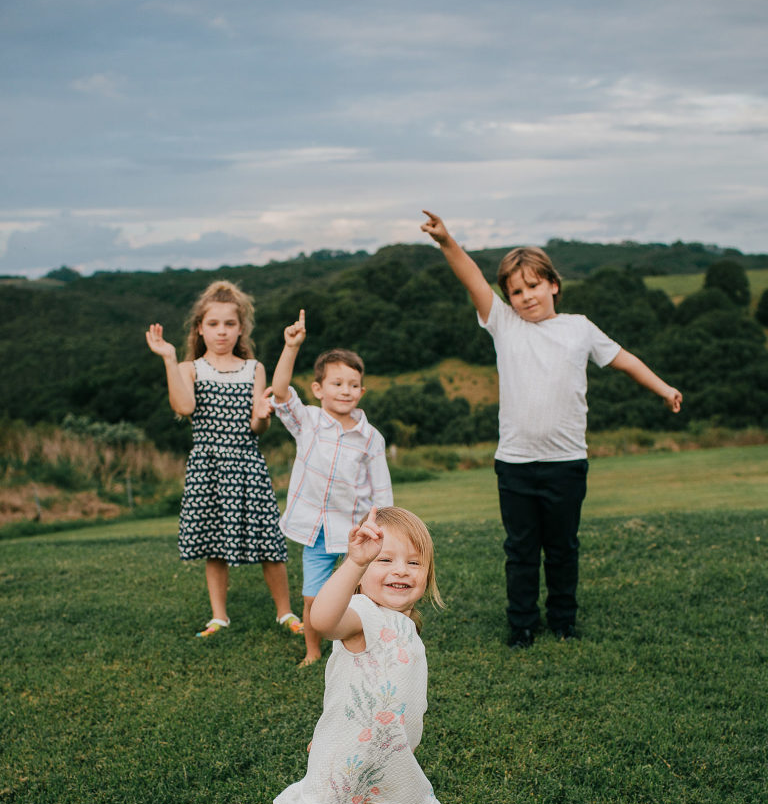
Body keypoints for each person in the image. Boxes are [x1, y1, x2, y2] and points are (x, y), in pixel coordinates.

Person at [420, 210, 683, 648]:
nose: (525, 297)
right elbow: (472, 280)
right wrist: (446, 240)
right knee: (520, 551)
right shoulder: (504, 326)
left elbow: (626, 360)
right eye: (516, 291)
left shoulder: (579, 329)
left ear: (554, 284)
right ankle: (521, 624)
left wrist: (664, 388)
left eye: (534, 286)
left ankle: (563, 621)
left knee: (562, 549)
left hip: (566, 464)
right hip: (516, 466)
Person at [273, 505, 488, 804]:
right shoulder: (359, 616)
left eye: (413, 562)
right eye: (383, 560)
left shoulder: (406, 623)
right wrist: (352, 561)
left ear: (428, 575)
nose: (400, 571)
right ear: (361, 574)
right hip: (343, 764)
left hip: (394, 762)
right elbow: (322, 621)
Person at [146, 280, 303, 639]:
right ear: (199, 328)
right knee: (212, 544)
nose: (221, 332)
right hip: (208, 466)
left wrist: (264, 414)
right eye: (213, 324)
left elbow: (257, 426)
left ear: (241, 328)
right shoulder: (190, 368)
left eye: (229, 324)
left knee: (269, 541)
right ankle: (219, 617)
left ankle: (286, 612)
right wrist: (170, 359)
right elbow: (184, 407)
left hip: (247, 463)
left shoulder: (254, 369)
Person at [270, 312, 393, 666]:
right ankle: (312, 650)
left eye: (353, 384)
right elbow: (279, 392)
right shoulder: (307, 421)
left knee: (362, 594)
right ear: (319, 389)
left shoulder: (371, 438)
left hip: (357, 531)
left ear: (362, 391)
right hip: (316, 531)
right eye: (337, 383)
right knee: (313, 596)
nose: (346, 391)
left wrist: (384, 529)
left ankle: (365, 644)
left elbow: (381, 491)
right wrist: (291, 346)